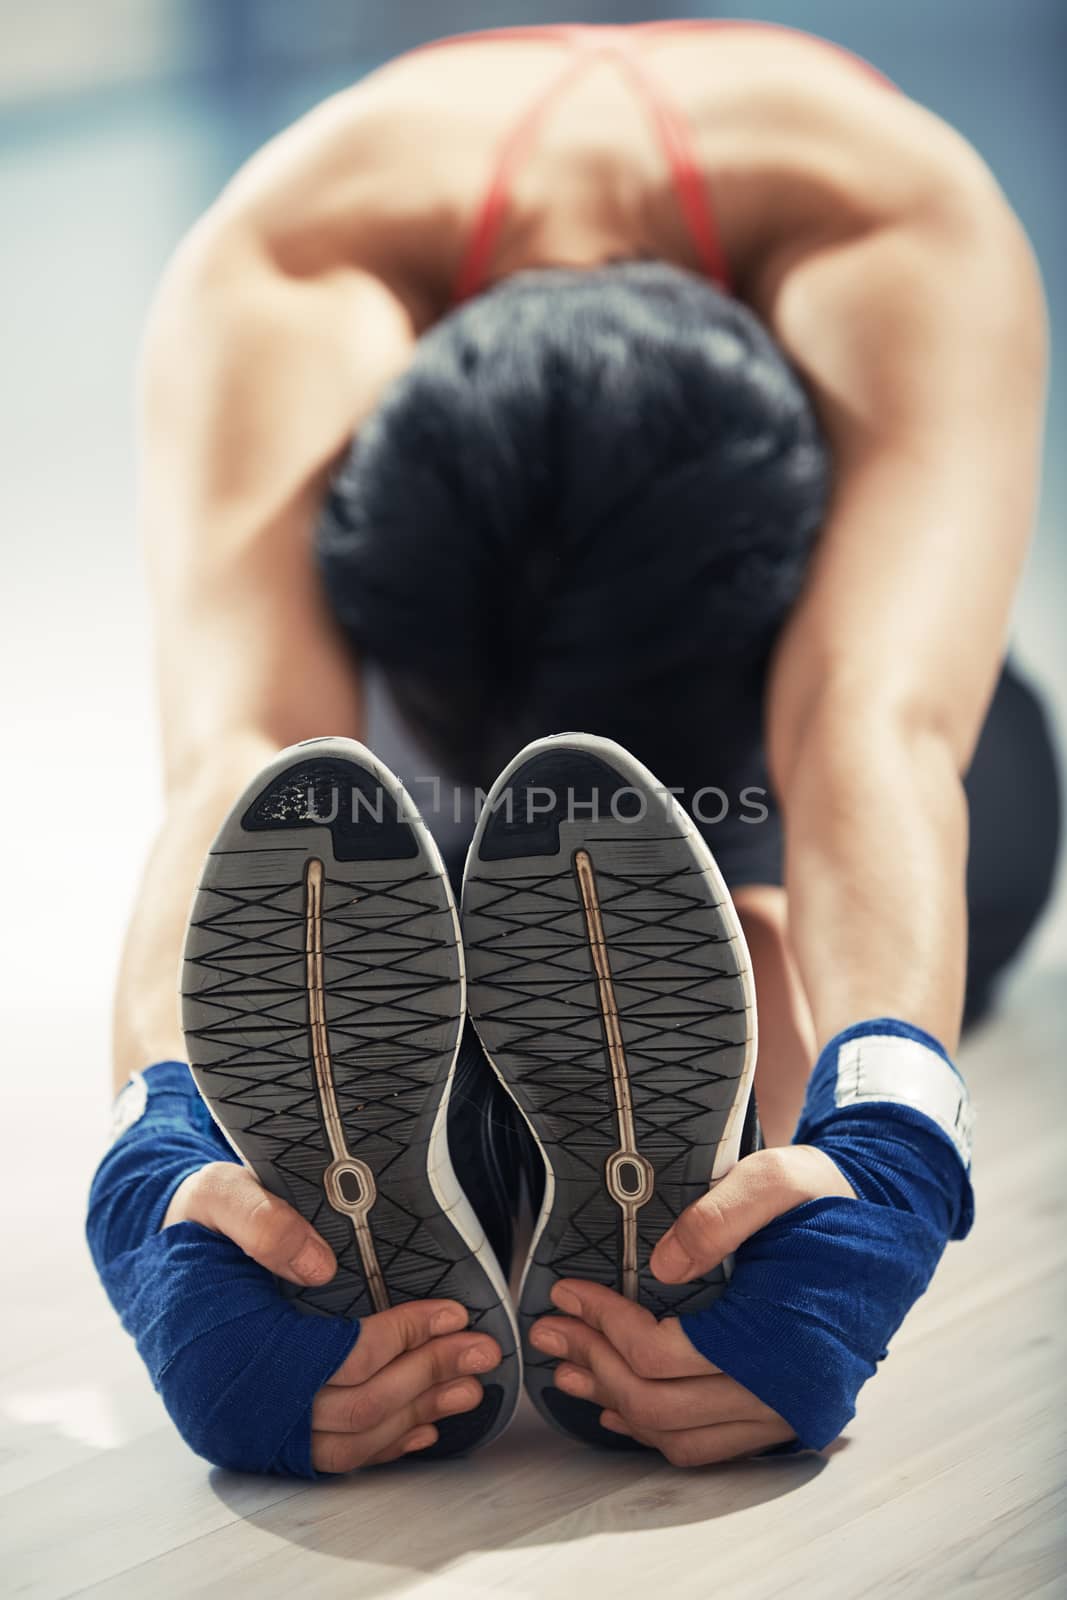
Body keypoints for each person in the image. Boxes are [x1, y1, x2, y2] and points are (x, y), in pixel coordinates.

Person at [88, 21, 1059, 1476]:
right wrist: (153, 1165)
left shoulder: (901, 229)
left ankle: (725, 979)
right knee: (344, 834)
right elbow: (246, 774)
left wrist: (897, 1148)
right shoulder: (285, 275)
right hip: (434, 771)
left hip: (745, 724)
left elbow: (874, 718)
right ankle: (723, 989)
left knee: (964, 785)